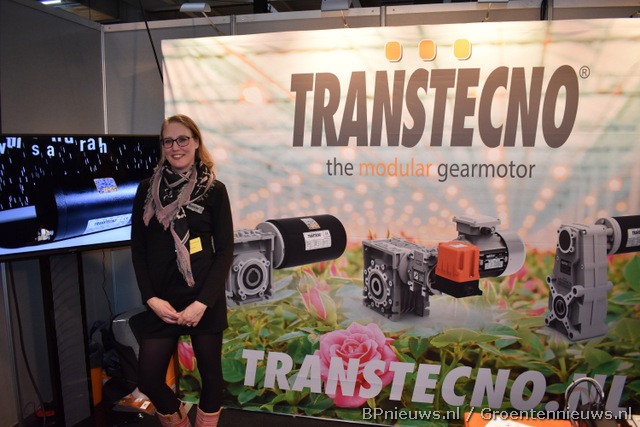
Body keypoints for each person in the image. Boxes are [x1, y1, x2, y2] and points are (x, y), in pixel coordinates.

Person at [131, 114, 234, 427]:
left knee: (211, 377)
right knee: (149, 378)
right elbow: (138, 250)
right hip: (162, 300)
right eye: (168, 141)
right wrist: (150, 299)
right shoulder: (146, 190)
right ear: (162, 146)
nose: (175, 147)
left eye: (182, 139)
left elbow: (225, 251)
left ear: (196, 142)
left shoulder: (214, 190)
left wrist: (202, 303)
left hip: (203, 298)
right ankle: (179, 421)